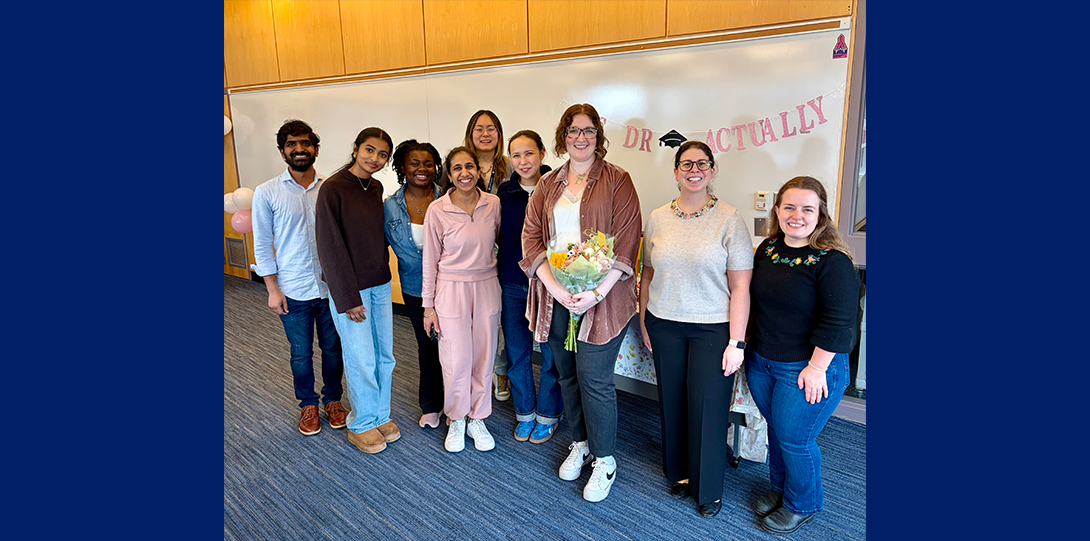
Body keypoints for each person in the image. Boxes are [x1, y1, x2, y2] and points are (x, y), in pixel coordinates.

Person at [520, 103, 642, 502]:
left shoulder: (618, 180)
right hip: (557, 296)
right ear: (563, 136)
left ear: (598, 137)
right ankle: (581, 443)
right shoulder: (547, 184)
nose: (580, 137)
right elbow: (532, 237)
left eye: (588, 131)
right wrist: (555, 288)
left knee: (595, 380)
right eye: (573, 130)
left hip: (602, 299)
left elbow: (627, 239)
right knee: (566, 374)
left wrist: (596, 291)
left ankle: (605, 459)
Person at [638, 141, 753, 518]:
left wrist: (737, 341)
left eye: (702, 163)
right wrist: (643, 318)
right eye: (686, 163)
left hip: (712, 328)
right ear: (675, 172)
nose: (694, 169)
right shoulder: (656, 217)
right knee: (671, 400)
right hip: (664, 321)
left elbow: (740, 287)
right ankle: (679, 473)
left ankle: (707, 489)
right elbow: (648, 272)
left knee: (708, 406)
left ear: (712, 170)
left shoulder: (729, 218)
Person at [745, 176, 860, 535]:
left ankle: (803, 503)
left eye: (807, 208)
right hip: (763, 361)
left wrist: (816, 367)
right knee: (778, 431)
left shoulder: (832, 261)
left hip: (809, 367)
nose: (797, 215)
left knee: (796, 438)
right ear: (777, 210)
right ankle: (780, 489)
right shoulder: (768, 249)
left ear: (820, 214)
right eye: (789, 207)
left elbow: (840, 323)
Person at [251, 119, 347, 437]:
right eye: (291, 144)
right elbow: (263, 244)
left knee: (333, 349)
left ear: (315, 149)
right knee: (300, 353)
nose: (299, 149)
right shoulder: (267, 193)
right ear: (282, 152)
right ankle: (307, 403)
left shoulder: (331, 187)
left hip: (331, 287)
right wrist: (272, 289)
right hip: (293, 289)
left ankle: (333, 400)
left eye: (305, 143)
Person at [315, 127, 400, 455]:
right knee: (361, 357)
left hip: (379, 284)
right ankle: (361, 422)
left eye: (382, 154)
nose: (375, 159)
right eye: (369, 150)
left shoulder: (375, 187)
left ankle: (380, 414)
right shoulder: (332, 189)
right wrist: (347, 298)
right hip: (351, 289)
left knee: (384, 356)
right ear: (355, 148)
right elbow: (329, 247)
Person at [421, 146, 503, 453]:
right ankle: (456, 418)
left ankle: (477, 418)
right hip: (450, 289)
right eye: (457, 168)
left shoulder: (493, 203)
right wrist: (428, 307)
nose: (465, 173)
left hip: (486, 286)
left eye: (470, 166)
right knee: (455, 359)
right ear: (449, 174)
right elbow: (430, 261)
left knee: (483, 356)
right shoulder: (437, 209)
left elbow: (501, 245)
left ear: (479, 171)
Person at [497, 130, 562, 444]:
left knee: (551, 355)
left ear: (542, 154)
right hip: (512, 283)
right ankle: (524, 412)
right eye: (516, 155)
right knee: (517, 353)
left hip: (549, 286)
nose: (523, 161)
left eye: (529, 153)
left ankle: (548, 414)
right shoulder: (503, 193)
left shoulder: (557, 189)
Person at [383, 139, 445, 430]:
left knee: (454, 345)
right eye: (414, 163)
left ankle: (459, 404)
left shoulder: (449, 199)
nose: (422, 168)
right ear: (402, 167)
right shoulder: (389, 208)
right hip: (414, 289)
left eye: (428, 163)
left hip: (450, 287)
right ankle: (432, 405)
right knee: (426, 346)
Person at [462, 109, 513, 401]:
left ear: (499, 134)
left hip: (504, 250)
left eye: (491, 128)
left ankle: (501, 369)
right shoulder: (461, 166)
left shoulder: (511, 166)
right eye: (479, 128)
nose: (485, 134)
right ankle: (472, 373)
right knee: (472, 318)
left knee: (502, 314)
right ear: (470, 133)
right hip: (471, 253)